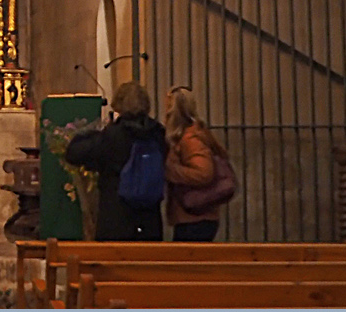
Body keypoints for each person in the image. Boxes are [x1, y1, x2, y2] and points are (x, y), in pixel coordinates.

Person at [64, 81, 166, 241]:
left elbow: (74, 153)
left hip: (117, 221)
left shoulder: (114, 136)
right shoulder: (158, 134)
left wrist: (94, 133)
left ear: (118, 105)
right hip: (149, 222)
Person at [163, 86, 228, 241]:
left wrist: (171, 171)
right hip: (196, 216)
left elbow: (204, 173)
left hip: (194, 217)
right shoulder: (192, 134)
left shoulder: (190, 138)